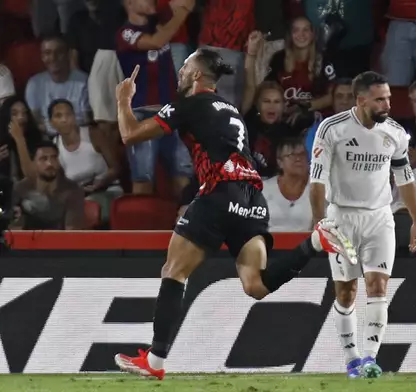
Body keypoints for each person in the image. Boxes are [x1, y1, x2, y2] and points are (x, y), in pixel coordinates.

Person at [112, 48, 357, 380]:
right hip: (251, 197)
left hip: (219, 191)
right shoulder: (228, 108)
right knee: (255, 285)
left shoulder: (188, 104)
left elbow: (130, 135)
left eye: (185, 68)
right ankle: (313, 242)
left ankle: (154, 362)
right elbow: (188, 116)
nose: (180, 73)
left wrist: (123, 100)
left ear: (197, 76)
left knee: (174, 270)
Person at [309, 71, 416, 379]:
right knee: (346, 291)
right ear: (360, 101)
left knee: (378, 286)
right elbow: (317, 180)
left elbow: (405, 178)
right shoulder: (331, 129)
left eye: (388, 97)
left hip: (379, 217)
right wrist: (321, 223)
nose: (388, 103)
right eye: (380, 99)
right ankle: (351, 359)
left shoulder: (396, 132)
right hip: (342, 216)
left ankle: (371, 358)